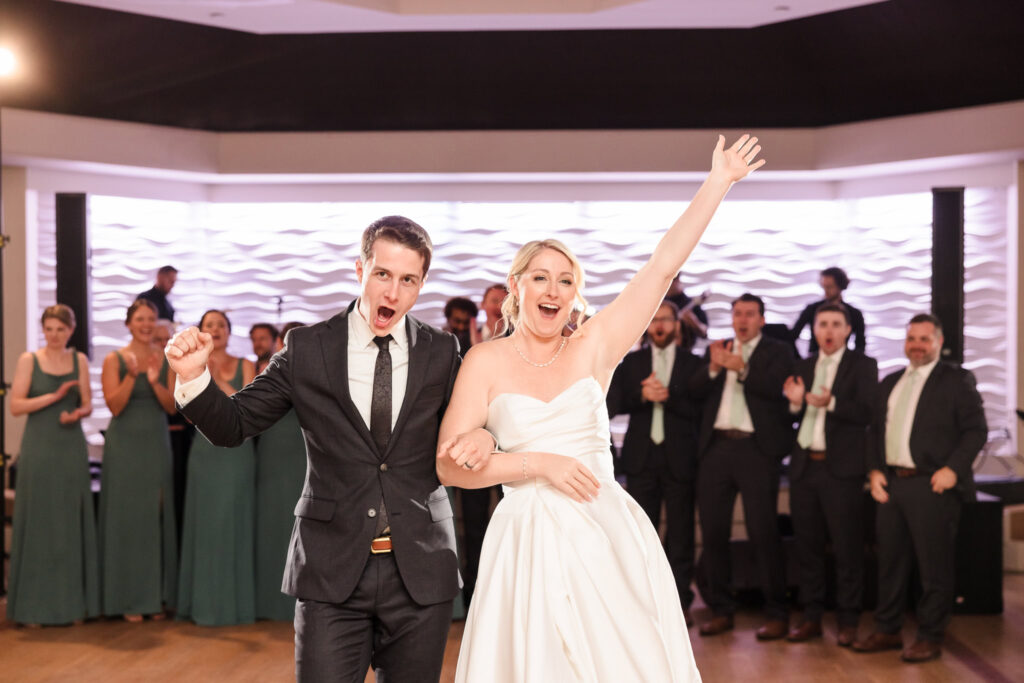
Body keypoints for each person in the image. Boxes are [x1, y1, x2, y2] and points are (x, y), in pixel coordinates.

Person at [437, 134, 764, 682]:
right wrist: (539, 464)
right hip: (525, 541)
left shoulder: (595, 344)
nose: (553, 289)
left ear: (574, 295)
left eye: (566, 281)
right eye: (540, 277)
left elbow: (661, 267)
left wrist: (718, 183)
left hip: (601, 529)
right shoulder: (483, 361)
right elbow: (448, 466)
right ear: (516, 287)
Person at [166, 217, 484, 681]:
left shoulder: (442, 352)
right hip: (331, 574)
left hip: (420, 571)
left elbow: (480, 424)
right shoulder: (307, 347)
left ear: (421, 285)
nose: (392, 293)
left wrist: (485, 435)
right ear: (360, 270)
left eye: (407, 280)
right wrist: (195, 377)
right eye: (383, 275)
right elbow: (233, 425)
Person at [853, 313, 986, 663]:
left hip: (933, 485)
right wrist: (875, 471)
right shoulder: (891, 381)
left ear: (938, 343)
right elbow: (874, 431)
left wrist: (953, 470)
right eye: (912, 338)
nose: (917, 345)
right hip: (891, 486)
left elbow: (976, 431)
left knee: (934, 568)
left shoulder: (957, 380)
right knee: (890, 564)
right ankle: (887, 629)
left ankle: (930, 635)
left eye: (925, 339)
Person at [690, 293, 795, 640]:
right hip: (717, 449)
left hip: (756, 450)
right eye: (738, 314)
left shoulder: (778, 351)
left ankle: (778, 612)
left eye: (750, 314)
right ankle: (721, 610)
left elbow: (781, 394)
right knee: (714, 532)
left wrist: (744, 370)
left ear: (761, 319)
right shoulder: (718, 348)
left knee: (763, 532)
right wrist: (714, 368)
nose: (743, 320)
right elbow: (692, 392)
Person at [782, 303, 877, 646]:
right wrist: (795, 403)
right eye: (823, 324)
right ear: (815, 329)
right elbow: (792, 413)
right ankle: (811, 617)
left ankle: (848, 620)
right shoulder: (803, 365)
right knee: (807, 546)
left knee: (847, 548)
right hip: (805, 467)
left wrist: (830, 403)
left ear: (848, 330)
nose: (829, 331)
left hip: (842, 471)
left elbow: (868, 411)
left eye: (836, 324)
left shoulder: (863, 365)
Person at [606, 298, 704, 627]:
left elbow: (701, 410)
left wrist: (669, 397)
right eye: (655, 320)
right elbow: (612, 405)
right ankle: (643, 605)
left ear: (677, 325)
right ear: (647, 325)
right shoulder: (631, 363)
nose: (659, 325)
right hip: (640, 459)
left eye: (666, 320)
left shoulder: (693, 363)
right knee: (639, 536)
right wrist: (642, 396)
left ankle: (680, 604)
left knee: (681, 535)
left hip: (680, 458)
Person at [7, 304, 99, 626]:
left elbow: (88, 404)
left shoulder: (80, 361)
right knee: (40, 524)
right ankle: (33, 608)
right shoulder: (29, 360)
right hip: (39, 448)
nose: (55, 335)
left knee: (67, 524)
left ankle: (72, 606)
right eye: (49, 329)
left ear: (70, 331)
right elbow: (16, 406)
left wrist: (77, 413)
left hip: (70, 447)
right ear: (42, 330)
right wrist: (55, 395)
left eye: (61, 329)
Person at [175, 309, 258, 626]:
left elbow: (247, 407)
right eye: (210, 325)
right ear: (201, 332)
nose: (217, 329)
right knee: (207, 525)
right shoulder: (188, 365)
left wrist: (215, 378)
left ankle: (235, 605)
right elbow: (188, 413)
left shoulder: (245, 364)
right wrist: (199, 374)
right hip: (204, 452)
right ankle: (203, 604)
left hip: (238, 452)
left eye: (221, 325)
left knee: (232, 522)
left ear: (229, 330)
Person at [99, 299, 178, 622]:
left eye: (151, 319)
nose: (146, 324)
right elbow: (114, 407)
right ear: (129, 323)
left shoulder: (166, 359)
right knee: (126, 518)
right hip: (124, 445)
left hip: (155, 441)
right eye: (140, 319)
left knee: (154, 515)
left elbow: (172, 407)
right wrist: (132, 377)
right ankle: (127, 598)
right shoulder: (113, 358)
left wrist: (155, 380)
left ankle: (154, 596)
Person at [254, 321, 310, 621]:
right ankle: (268, 600)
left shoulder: (317, 371)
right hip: (272, 451)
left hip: (304, 453)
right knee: (272, 522)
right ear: (279, 342)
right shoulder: (266, 369)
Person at [790, 266, 866, 355]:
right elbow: (792, 336)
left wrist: (853, 365)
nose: (826, 291)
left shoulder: (854, 314)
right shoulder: (811, 309)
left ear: (840, 286)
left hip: (843, 363)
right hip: (814, 360)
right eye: (824, 287)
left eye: (830, 287)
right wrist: (800, 363)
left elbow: (860, 344)